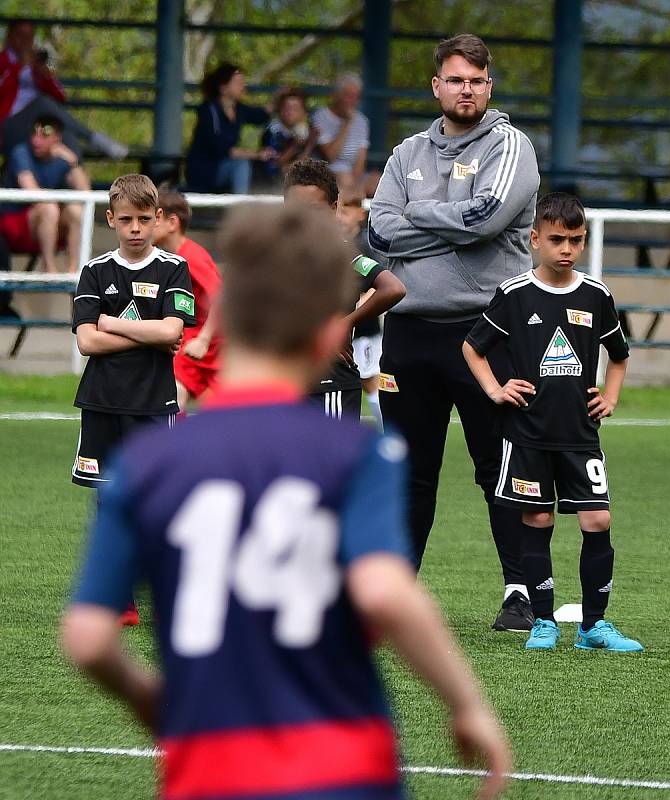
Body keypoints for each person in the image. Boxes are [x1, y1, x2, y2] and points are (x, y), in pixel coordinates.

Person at [61, 201, 511, 800]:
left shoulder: (146, 463)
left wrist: (155, 705)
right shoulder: (354, 454)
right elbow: (383, 590)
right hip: (344, 764)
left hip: (208, 772)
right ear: (330, 333)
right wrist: (466, 703)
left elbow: (88, 637)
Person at [369, 33, 540, 629]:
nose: (466, 89)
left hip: (489, 331)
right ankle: (394, 599)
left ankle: (520, 594)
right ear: (436, 85)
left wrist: (416, 217)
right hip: (409, 333)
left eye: (477, 79)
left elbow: (488, 218)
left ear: (489, 85)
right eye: (455, 79)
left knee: (500, 465)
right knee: (408, 472)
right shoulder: (404, 154)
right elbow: (378, 234)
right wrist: (449, 223)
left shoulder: (510, 144)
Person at [463, 193, 643, 653]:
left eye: (576, 240)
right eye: (557, 239)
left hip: (580, 436)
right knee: (538, 519)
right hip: (527, 435)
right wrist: (495, 389)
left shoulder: (596, 295)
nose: (567, 248)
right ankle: (544, 622)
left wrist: (612, 396)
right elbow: (472, 347)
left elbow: (619, 356)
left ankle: (593, 626)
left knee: (598, 520)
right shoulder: (515, 294)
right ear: (535, 239)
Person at [70, 174, 196, 624]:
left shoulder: (173, 268)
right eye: (127, 220)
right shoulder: (94, 270)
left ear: (159, 218)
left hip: (153, 402)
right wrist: (149, 335)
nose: (137, 228)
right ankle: (118, 596)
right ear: (111, 220)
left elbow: (174, 331)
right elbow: (87, 343)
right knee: (108, 500)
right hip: (102, 401)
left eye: (145, 219)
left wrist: (112, 323)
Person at [284, 159, 405, 420]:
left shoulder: (344, 254)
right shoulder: (272, 252)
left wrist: (342, 325)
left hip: (328, 383)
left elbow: (392, 288)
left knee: (328, 461)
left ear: (333, 207)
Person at [0, 19, 128, 159]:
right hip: (8, 127)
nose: (25, 42)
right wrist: (20, 66)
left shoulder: (35, 66)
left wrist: (45, 76)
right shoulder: (3, 61)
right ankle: (93, 137)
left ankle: (79, 176)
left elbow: (61, 97)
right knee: (42, 103)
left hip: (38, 127)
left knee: (67, 136)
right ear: (9, 37)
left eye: (29, 37)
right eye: (20, 36)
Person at [152, 187, 222, 411]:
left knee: (229, 417)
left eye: (151, 218)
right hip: (189, 342)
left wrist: (204, 339)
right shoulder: (168, 259)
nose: (142, 226)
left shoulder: (192, 257)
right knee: (174, 392)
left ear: (172, 222)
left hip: (216, 346)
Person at [0, 113, 90, 272]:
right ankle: (49, 268)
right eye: (34, 134)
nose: (36, 140)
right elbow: (32, 192)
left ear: (57, 138)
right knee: (49, 208)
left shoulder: (62, 159)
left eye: (44, 135)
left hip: (49, 224)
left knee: (76, 210)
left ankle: (75, 270)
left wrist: (73, 162)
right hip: (14, 224)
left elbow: (86, 193)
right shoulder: (21, 152)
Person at [185, 62, 275, 195]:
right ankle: (240, 208)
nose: (243, 87)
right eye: (238, 83)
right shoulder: (209, 111)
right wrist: (257, 154)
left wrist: (279, 98)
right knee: (241, 165)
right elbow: (223, 149)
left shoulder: (239, 109)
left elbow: (260, 115)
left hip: (224, 167)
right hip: (206, 171)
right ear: (223, 88)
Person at [338, 189, 385, 430]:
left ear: (360, 213)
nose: (341, 217)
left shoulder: (366, 245)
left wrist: (353, 310)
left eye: (346, 211)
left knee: (369, 380)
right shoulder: (337, 245)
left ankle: (387, 430)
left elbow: (380, 286)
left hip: (363, 328)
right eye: (339, 210)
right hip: (343, 330)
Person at [311, 74, 379, 197]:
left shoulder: (362, 121)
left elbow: (360, 159)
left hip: (352, 175)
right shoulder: (321, 116)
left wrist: (356, 180)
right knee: (344, 177)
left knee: (378, 181)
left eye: (356, 97)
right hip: (329, 170)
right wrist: (347, 123)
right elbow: (331, 155)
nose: (353, 101)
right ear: (337, 95)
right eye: (349, 96)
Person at [257, 88, 316, 188]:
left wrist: (310, 143)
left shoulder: (308, 130)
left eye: (295, 108)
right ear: (280, 110)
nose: (290, 112)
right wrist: (295, 146)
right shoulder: (273, 131)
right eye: (286, 108)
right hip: (273, 182)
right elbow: (275, 164)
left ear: (304, 112)